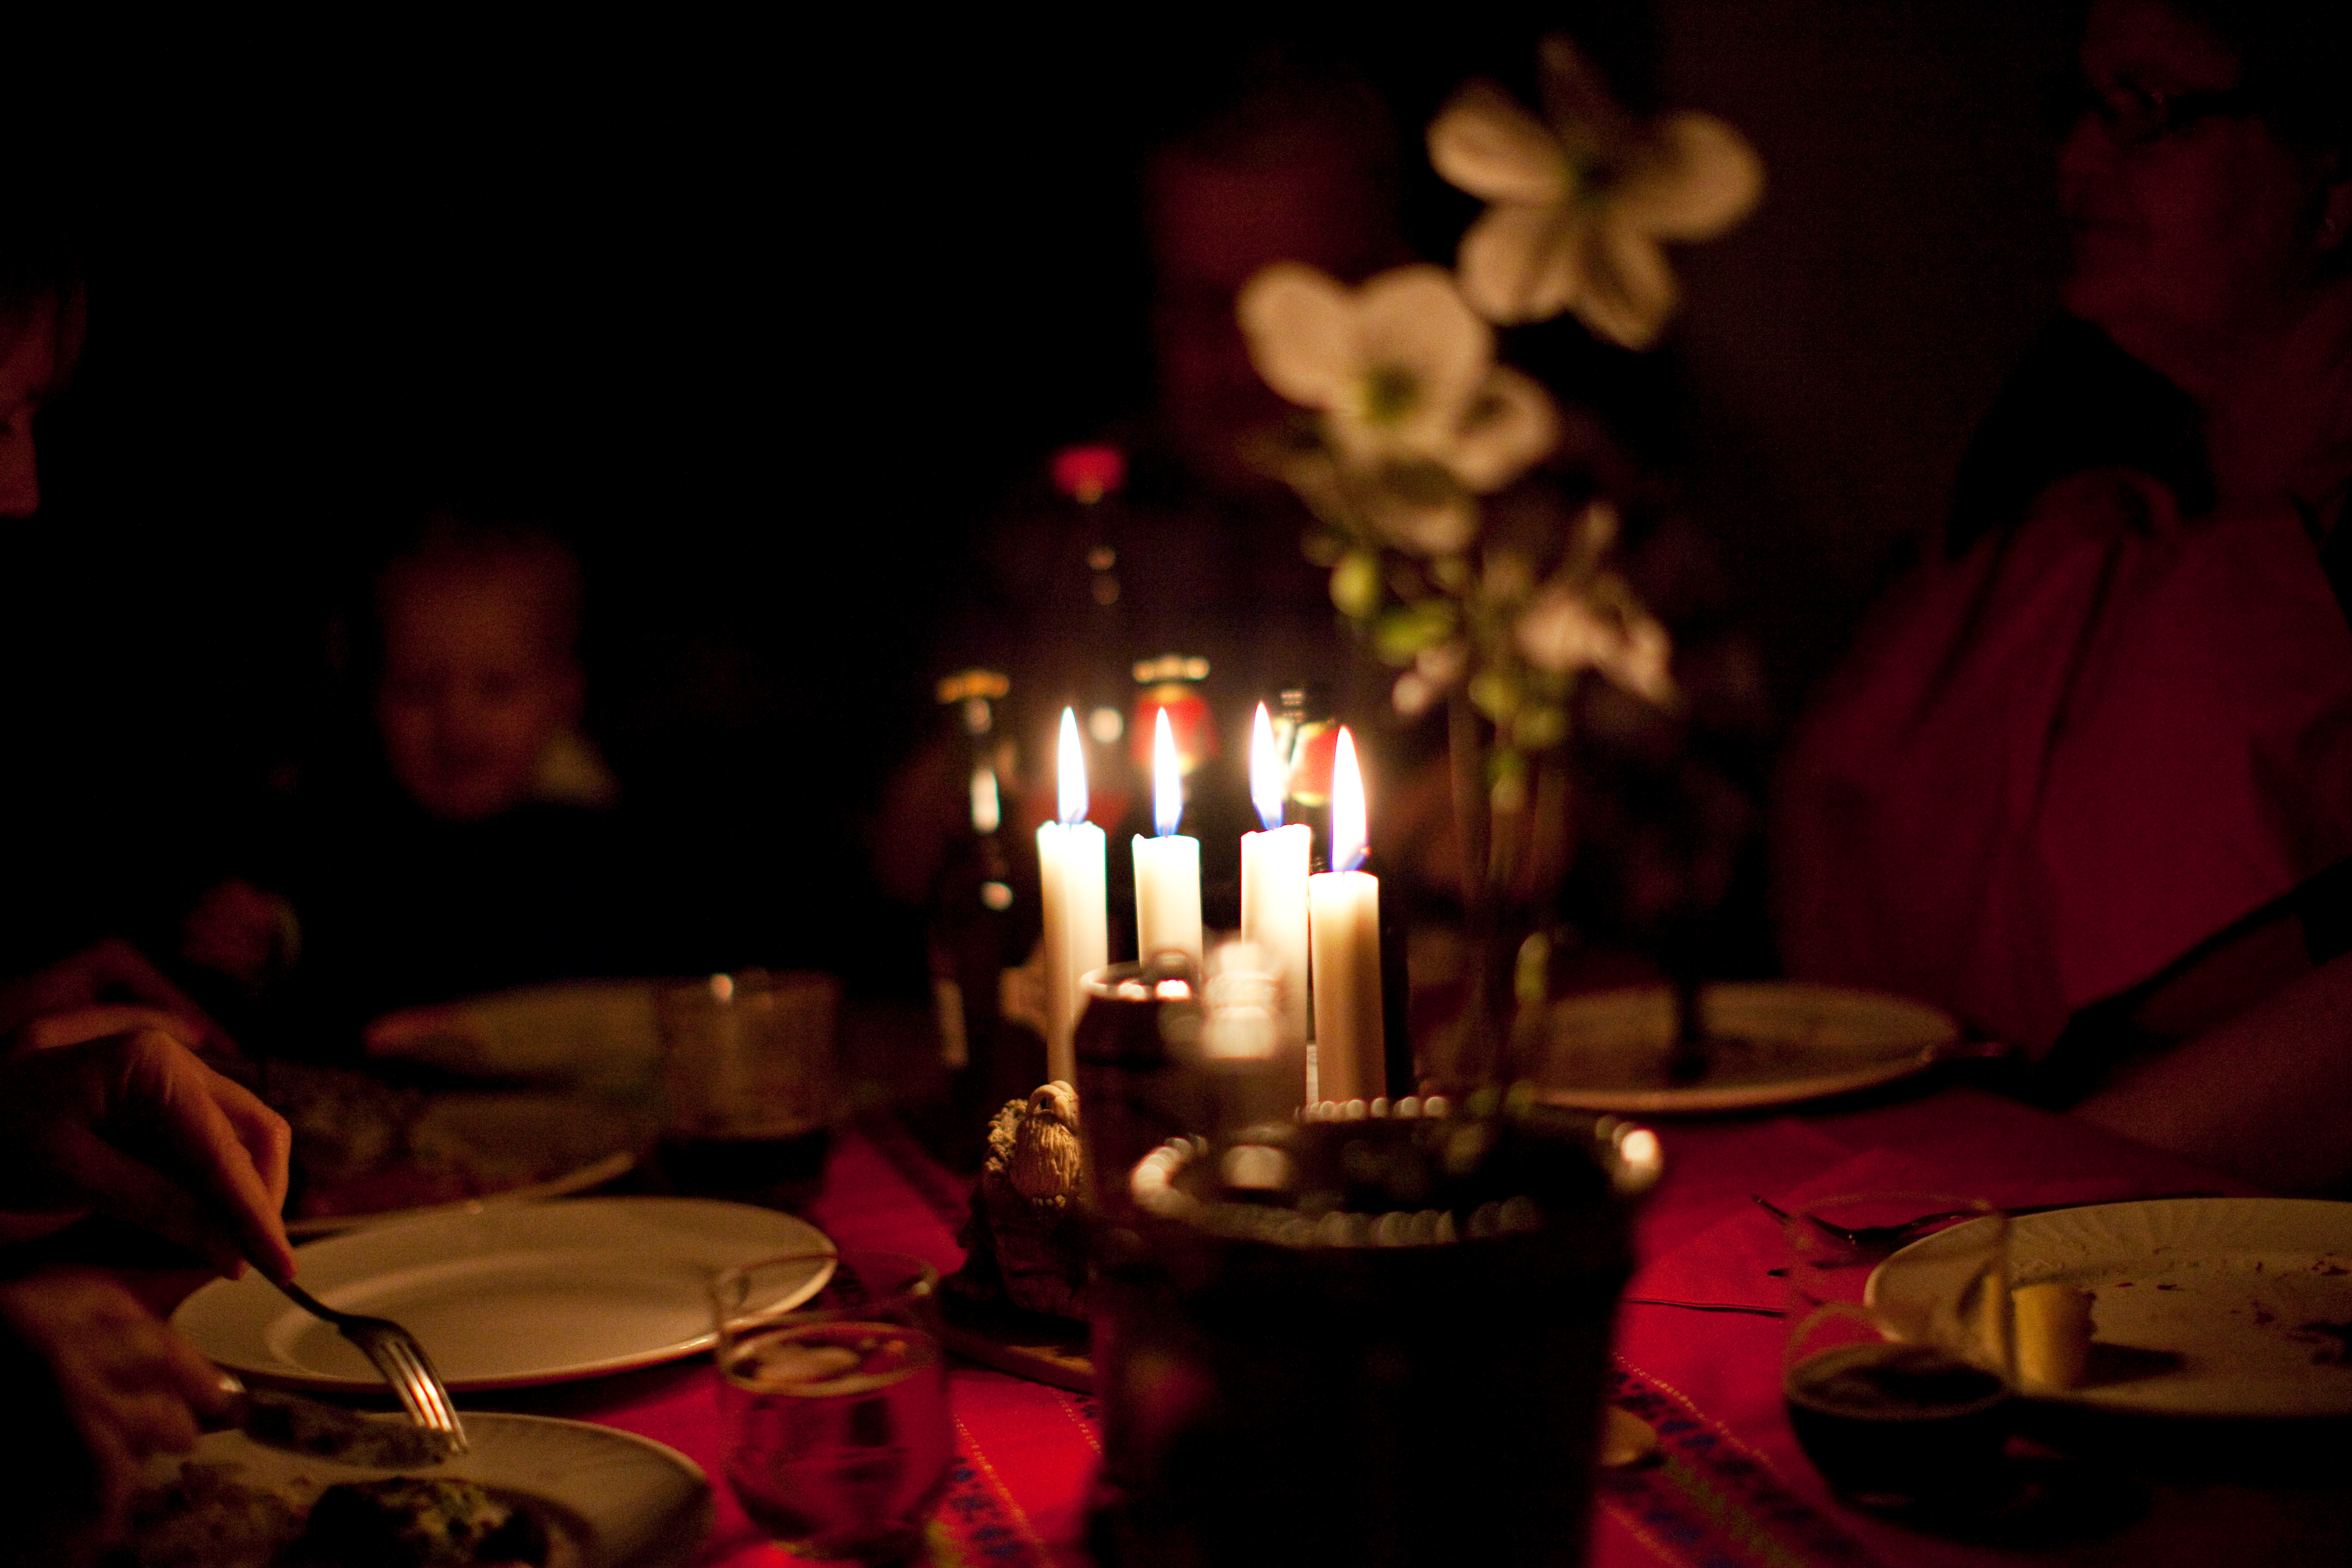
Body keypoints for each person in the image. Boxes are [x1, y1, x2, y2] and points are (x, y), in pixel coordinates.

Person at [1774, 1, 2352, 1189]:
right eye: (2080, 110)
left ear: (2338, 176)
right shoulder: (2065, 461)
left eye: (2146, 111)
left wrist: (2024, 1183)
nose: (2076, 161)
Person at [181, 513, 675, 1050]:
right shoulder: (337, 833)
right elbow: (323, 948)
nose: (456, 722)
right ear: (369, 697)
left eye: (498, 687)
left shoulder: (610, 849)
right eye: (417, 689)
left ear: (563, 696)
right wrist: (265, 943)